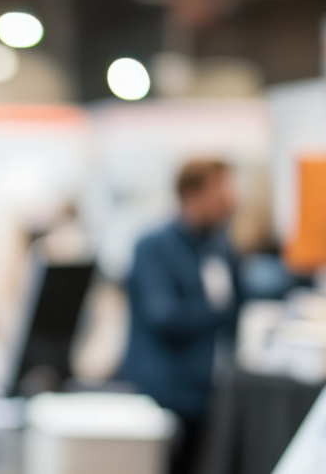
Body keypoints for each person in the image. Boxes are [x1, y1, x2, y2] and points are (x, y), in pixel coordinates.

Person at [117, 159, 242, 474]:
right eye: (221, 190)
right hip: (160, 391)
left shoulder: (219, 246)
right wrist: (216, 313)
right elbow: (164, 315)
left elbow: (237, 304)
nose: (230, 199)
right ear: (192, 194)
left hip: (206, 393)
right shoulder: (153, 246)